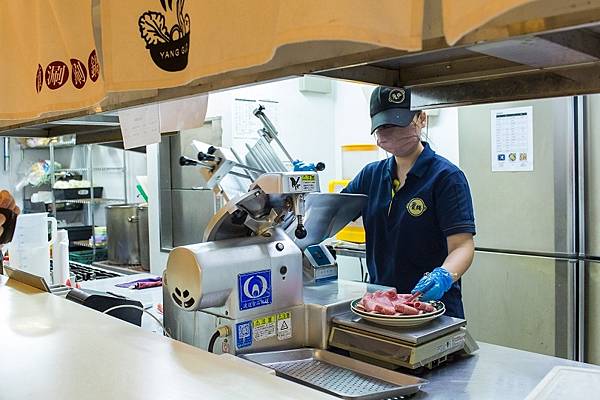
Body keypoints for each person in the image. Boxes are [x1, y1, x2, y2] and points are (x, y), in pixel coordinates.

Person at [343, 86, 475, 318]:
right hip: (382, 307)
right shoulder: (370, 176)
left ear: (421, 118)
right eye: (384, 126)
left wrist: (443, 276)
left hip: (433, 309)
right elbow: (330, 215)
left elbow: (462, 246)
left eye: (400, 123)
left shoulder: (446, 177)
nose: (391, 132)